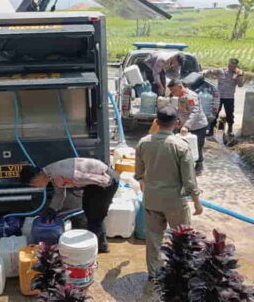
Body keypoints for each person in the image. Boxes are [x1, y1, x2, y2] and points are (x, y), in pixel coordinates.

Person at [135, 106, 203, 281]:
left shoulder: (143, 143)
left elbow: (139, 174)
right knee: (182, 239)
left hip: (151, 201)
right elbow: (189, 181)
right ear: (177, 123)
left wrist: (146, 187)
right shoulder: (181, 146)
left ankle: (154, 274)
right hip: (175, 203)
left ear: (156, 122)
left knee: (153, 239)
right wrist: (197, 202)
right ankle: (181, 273)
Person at [20, 158, 119, 253]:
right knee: (88, 208)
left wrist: (106, 182)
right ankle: (96, 242)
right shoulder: (51, 174)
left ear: (37, 177)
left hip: (106, 179)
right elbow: (60, 193)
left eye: (34, 184)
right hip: (93, 184)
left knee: (95, 213)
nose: (37, 187)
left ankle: (99, 247)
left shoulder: (59, 172)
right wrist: (52, 209)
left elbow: (85, 177)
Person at [167, 78, 209, 175]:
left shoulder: (191, 96)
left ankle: (199, 167)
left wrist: (186, 126)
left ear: (180, 87)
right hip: (186, 125)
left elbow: (195, 112)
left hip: (198, 125)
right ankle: (184, 166)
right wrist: (178, 120)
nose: (173, 93)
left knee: (197, 146)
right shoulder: (181, 96)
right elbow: (182, 110)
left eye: (174, 91)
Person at [203, 58, 244, 137]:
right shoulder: (221, 70)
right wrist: (204, 72)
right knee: (215, 113)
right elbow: (210, 71)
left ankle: (230, 129)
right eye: (231, 65)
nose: (232, 67)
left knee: (230, 114)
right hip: (219, 97)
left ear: (236, 66)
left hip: (229, 97)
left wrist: (240, 75)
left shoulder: (237, 73)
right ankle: (211, 129)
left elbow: (240, 85)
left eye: (234, 66)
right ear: (228, 65)